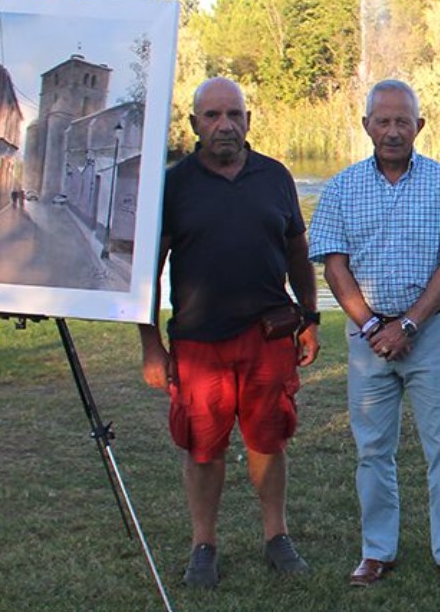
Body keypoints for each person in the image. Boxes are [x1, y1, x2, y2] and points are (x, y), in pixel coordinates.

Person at [138, 77, 320, 588]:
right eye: (212, 116)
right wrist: (151, 343)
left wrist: (309, 317)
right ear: (195, 124)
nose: (224, 125)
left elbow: (297, 253)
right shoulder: (175, 185)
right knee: (202, 446)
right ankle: (203, 544)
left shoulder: (275, 177)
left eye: (233, 114)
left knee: (269, 439)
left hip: (267, 337)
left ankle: (276, 536)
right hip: (199, 341)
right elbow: (148, 269)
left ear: (247, 120)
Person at [308, 79, 440, 587]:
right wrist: (370, 326)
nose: (391, 131)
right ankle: (377, 550)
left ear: (419, 127)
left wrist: (407, 324)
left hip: (428, 332)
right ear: (366, 126)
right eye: (381, 121)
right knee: (371, 448)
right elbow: (334, 265)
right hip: (368, 340)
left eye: (402, 121)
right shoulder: (341, 188)